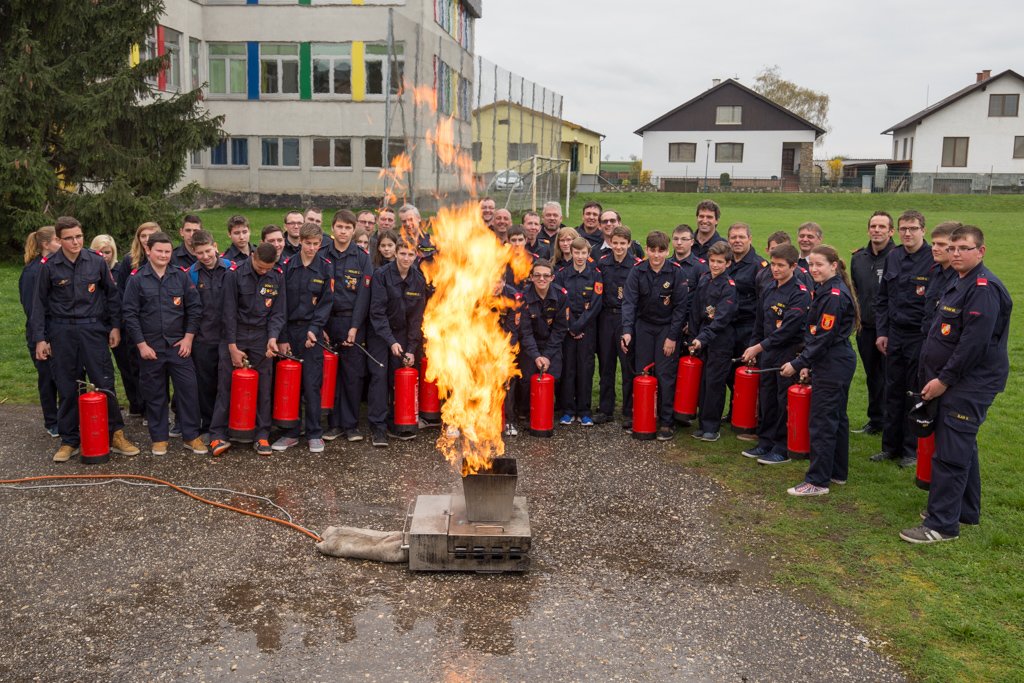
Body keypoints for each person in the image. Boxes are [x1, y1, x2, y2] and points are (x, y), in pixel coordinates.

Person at [900, 225, 1012, 543]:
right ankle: (964, 510)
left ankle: (942, 525)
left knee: (950, 453)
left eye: (964, 248)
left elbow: (972, 346)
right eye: (953, 248)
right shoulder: (959, 281)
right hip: (955, 379)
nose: (957, 253)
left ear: (981, 251)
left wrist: (944, 380)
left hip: (968, 383)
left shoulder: (983, 289)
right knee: (963, 446)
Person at [29, 216, 140, 462]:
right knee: (68, 387)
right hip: (62, 331)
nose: (75, 242)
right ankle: (70, 440)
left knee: (104, 382)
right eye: (69, 238)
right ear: (59, 240)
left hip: (93, 330)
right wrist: (40, 339)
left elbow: (112, 296)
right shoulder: (49, 266)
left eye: (79, 236)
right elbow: (39, 305)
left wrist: (115, 327)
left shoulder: (96, 261)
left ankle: (116, 434)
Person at [780, 245, 859, 496]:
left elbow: (823, 337)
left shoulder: (833, 295)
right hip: (832, 359)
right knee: (836, 418)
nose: (813, 269)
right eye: (811, 264)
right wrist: (808, 364)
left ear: (833, 265)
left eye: (819, 265)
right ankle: (836, 472)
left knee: (823, 421)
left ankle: (817, 481)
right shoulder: (825, 289)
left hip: (833, 362)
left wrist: (798, 363)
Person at [122, 232, 206, 456]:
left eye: (168, 251)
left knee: (188, 391)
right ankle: (159, 438)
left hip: (179, 347)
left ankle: (191, 436)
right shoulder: (137, 279)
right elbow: (130, 314)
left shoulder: (181, 276)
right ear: (148, 250)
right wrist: (141, 345)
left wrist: (188, 338)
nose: (164, 255)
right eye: (159, 251)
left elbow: (194, 308)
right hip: (151, 348)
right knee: (155, 394)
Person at [207, 242, 286, 457]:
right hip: (236, 334)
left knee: (264, 387)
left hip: (262, 336)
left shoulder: (277, 276)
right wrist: (232, 346)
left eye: (268, 268)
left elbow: (278, 312)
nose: (263, 271)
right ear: (252, 256)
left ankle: (261, 434)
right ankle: (217, 434)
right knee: (226, 385)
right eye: (260, 267)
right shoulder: (234, 274)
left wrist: (273, 338)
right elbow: (228, 312)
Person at [740, 244, 810, 464]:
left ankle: (781, 447)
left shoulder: (800, 294)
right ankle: (765, 441)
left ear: (793, 266)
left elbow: (787, 330)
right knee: (767, 396)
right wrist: (753, 347)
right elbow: (759, 323)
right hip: (767, 350)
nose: (776, 269)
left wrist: (758, 347)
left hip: (788, 352)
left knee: (782, 399)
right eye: (773, 264)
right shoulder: (769, 288)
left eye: (781, 265)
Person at [872, 210, 932, 468]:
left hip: (919, 335)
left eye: (913, 228)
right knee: (893, 390)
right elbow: (883, 298)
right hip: (895, 334)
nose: (908, 233)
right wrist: (882, 332)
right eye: (904, 228)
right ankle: (890, 447)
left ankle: (910, 449)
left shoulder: (933, 259)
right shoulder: (894, 257)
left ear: (923, 231)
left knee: (913, 392)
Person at [622, 231, 690, 441]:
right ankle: (642, 416)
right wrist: (627, 331)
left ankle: (666, 421)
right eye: (652, 250)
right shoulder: (637, 271)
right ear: (647, 250)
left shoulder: (676, 272)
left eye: (661, 251)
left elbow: (680, 308)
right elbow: (629, 302)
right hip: (643, 326)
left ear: (667, 251)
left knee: (664, 374)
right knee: (642, 372)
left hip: (666, 328)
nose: (657, 255)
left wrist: (672, 337)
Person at [272, 222, 334, 454]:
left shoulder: (325, 268)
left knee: (312, 383)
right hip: (289, 332)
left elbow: (326, 303)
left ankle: (314, 432)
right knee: (290, 383)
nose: (311, 248)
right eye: (308, 243)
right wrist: (282, 337)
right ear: (300, 242)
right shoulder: (287, 266)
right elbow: (280, 304)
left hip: (311, 332)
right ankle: (290, 432)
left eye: (316, 244)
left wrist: (315, 329)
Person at [367, 239, 427, 446]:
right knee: (379, 377)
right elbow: (377, 312)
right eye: (402, 254)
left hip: (402, 334)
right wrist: (391, 341)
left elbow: (416, 319)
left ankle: (396, 422)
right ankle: (378, 427)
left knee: (398, 375)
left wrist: (410, 348)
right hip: (379, 333)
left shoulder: (418, 280)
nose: (406, 258)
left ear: (416, 256)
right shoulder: (381, 275)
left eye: (410, 255)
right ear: (395, 254)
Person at [322, 209, 374, 442]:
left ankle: (351, 425)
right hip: (327, 322)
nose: (343, 231)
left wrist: (354, 327)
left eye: (348, 228)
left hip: (352, 323)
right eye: (340, 227)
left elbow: (364, 296)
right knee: (331, 375)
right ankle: (334, 424)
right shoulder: (323, 254)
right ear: (333, 228)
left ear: (354, 231)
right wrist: (320, 326)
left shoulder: (362, 257)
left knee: (352, 375)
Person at [850, 211, 896, 435]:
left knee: (891, 377)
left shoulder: (898, 257)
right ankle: (875, 420)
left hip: (891, 329)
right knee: (872, 376)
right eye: (873, 226)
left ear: (891, 231)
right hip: (866, 328)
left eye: (882, 227)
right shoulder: (858, 258)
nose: (877, 230)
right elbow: (855, 291)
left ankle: (892, 423)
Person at [686, 242, 736, 442]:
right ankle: (702, 423)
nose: (715, 265)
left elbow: (722, 319)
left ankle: (712, 427)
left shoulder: (729, 287)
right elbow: (696, 310)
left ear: (728, 263)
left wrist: (702, 338)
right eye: (712, 261)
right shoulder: (705, 279)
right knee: (703, 382)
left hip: (720, 340)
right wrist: (693, 336)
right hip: (702, 338)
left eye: (719, 262)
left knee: (715, 383)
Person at [187, 230, 234, 440]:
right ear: (193, 252)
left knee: (227, 383)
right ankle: (207, 426)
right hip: (204, 338)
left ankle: (228, 425)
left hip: (228, 337)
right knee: (205, 384)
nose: (205, 256)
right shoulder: (191, 274)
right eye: (200, 253)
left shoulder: (232, 268)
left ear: (215, 246)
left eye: (208, 251)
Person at [594, 226, 641, 427]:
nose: (619, 247)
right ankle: (606, 408)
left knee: (628, 365)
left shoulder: (637, 265)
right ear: (610, 243)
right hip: (607, 317)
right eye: (615, 243)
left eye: (623, 243)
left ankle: (629, 410)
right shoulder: (603, 263)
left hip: (626, 318)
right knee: (606, 364)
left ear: (629, 244)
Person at [555, 237, 603, 426]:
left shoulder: (595, 275)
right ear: (571, 252)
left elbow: (596, 305)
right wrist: (571, 327)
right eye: (577, 252)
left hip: (587, 329)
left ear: (588, 253)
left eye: (583, 253)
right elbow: (560, 302)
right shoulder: (562, 274)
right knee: (568, 369)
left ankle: (584, 411)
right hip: (567, 329)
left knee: (585, 369)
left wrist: (579, 326)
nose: (580, 256)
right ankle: (568, 410)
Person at [116, 222, 161, 417]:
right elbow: (121, 293)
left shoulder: (165, 256)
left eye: (151, 235)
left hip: (158, 323)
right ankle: (142, 407)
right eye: (143, 236)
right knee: (137, 367)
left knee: (158, 370)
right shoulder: (130, 261)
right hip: (135, 324)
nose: (147, 239)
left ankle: (157, 409)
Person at [20, 226, 61, 438]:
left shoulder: (56, 266)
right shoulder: (32, 272)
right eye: (58, 240)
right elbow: (32, 308)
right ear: (46, 244)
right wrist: (42, 338)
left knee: (65, 377)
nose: (62, 243)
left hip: (60, 332)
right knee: (48, 378)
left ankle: (68, 418)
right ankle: (52, 422)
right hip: (42, 335)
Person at [516, 259, 570, 418]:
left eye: (546, 276)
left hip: (551, 344)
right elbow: (525, 332)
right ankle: (524, 410)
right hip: (530, 344)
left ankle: (550, 409)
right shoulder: (523, 297)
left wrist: (546, 356)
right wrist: (536, 356)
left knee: (554, 376)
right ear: (531, 277)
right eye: (537, 275)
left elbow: (560, 329)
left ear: (552, 277)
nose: (542, 279)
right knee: (526, 378)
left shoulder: (561, 296)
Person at [920, 222, 961, 334]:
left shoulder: (962, 277)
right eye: (933, 244)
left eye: (941, 244)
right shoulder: (934, 271)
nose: (934, 248)